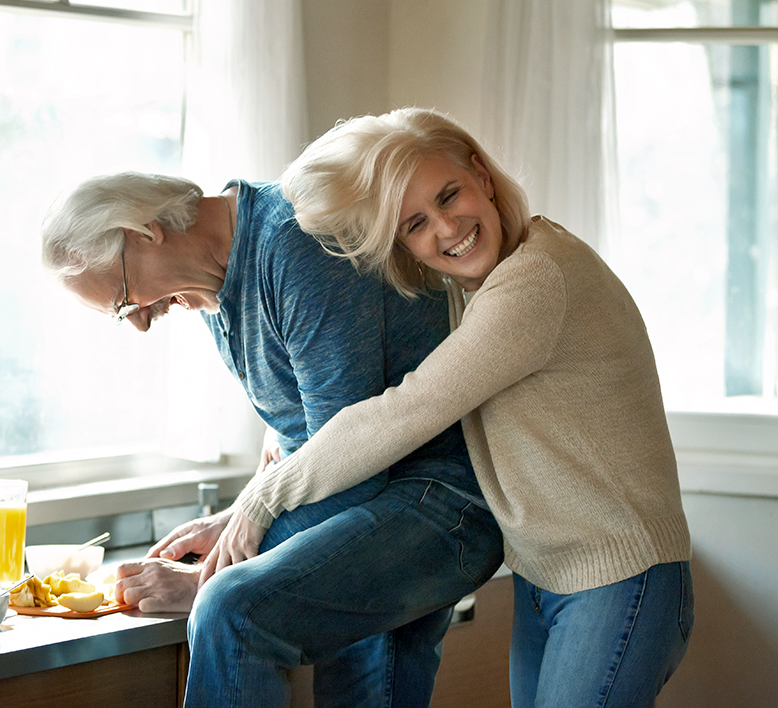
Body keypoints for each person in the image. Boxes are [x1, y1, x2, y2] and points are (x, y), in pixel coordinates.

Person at [207, 108, 694, 708]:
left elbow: (406, 411)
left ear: (482, 176)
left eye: (449, 195)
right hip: (547, 576)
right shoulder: (479, 289)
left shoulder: (534, 280)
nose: (445, 228)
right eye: (416, 224)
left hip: (621, 577)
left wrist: (263, 497)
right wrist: (280, 443)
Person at [41, 171, 503, 707]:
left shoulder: (294, 242)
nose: (141, 322)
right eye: (124, 316)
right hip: (372, 500)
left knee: (228, 610)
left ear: (146, 232)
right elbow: (299, 439)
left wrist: (208, 577)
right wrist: (229, 522)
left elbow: (347, 465)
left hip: (441, 501)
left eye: (124, 298)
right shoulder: (208, 288)